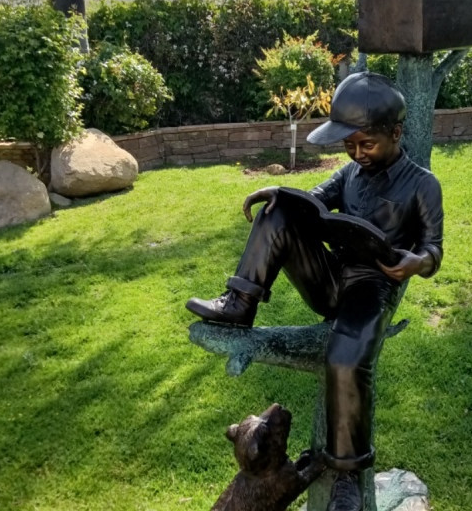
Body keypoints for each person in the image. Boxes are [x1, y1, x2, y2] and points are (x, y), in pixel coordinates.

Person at [186, 71, 443, 511]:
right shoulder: (350, 174)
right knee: (279, 210)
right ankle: (239, 303)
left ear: (396, 133)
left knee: (344, 358)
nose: (357, 154)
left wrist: (414, 263)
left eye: (367, 144)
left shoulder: (422, 184)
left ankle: (346, 475)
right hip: (328, 278)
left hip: (371, 287)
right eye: (349, 146)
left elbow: (433, 249)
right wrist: (281, 194)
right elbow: (313, 201)